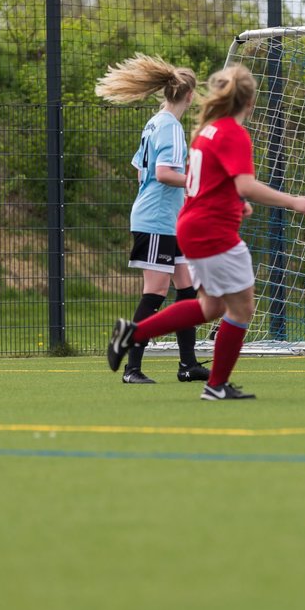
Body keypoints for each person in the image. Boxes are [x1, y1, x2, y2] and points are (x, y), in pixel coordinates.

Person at [106, 64, 305, 400]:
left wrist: (234, 203)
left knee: (211, 305)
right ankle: (214, 384)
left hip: (192, 223)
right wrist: (292, 201)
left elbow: (206, 182)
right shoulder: (232, 133)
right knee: (241, 307)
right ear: (250, 101)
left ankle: (137, 336)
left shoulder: (207, 130)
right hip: (208, 229)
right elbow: (243, 184)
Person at [95, 53, 211, 385]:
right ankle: (132, 367)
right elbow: (162, 173)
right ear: (189, 96)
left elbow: (139, 171)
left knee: (186, 290)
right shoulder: (171, 127)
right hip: (157, 221)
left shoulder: (154, 122)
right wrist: (195, 181)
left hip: (166, 218)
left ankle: (187, 365)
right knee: (156, 293)